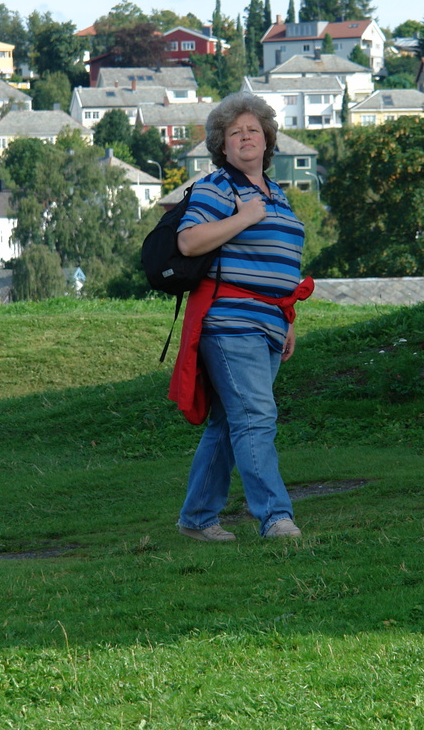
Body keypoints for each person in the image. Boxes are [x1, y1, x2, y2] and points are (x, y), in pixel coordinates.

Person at [172, 92, 313, 542]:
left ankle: (197, 518)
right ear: (223, 145)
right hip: (231, 323)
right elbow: (189, 242)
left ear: (267, 139)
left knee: (229, 423)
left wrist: (288, 319)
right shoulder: (218, 188)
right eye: (235, 132)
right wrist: (245, 217)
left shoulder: (277, 193)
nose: (246, 137)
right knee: (256, 415)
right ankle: (275, 517)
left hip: (270, 321)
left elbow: (279, 262)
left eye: (253, 129)